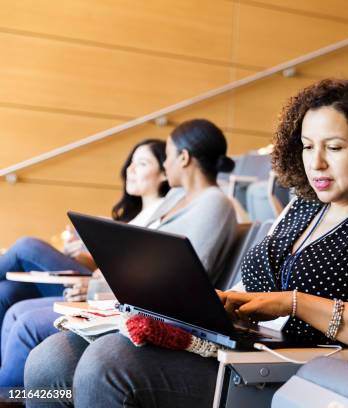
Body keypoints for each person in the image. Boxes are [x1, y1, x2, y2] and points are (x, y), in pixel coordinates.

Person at [24, 79, 348, 408]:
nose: (315, 163)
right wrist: (222, 304)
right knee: (52, 360)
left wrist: (293, 303)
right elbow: (252, 288)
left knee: (109, 365)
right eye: (308, 146)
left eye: (334, 148)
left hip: (299, 376)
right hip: (245, 352)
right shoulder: (301, 207)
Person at [5, 117, 239, 389]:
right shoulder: (176, 198)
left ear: (184, 158)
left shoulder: (215, 203)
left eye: (169, 155)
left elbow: (188, 275)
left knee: (28, 322)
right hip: (123, 298)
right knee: (16, 304)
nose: (165, 164)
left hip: (150, 312)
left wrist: (101, 285)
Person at [0, 138, 170, 387]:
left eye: (142, 164)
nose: (130, 170)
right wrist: (84, 251)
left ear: (165, 173)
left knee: (28, 246)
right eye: (131, 163)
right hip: (93, 280)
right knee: (7, 291)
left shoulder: (164, 215)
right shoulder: (132, 216)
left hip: (104, 290)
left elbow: (133, 269)